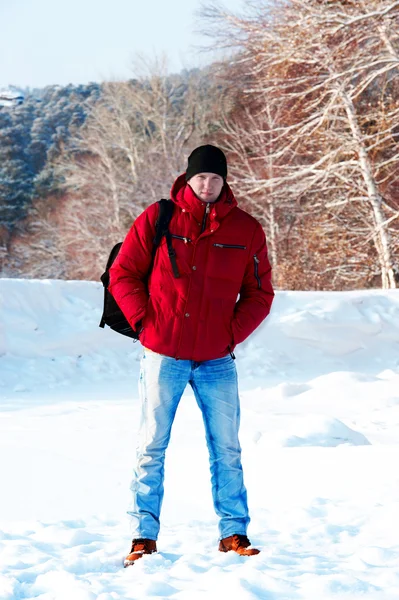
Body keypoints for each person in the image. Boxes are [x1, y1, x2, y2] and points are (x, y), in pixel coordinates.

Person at [108, 144, 274, 565]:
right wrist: (147, 324)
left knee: (227, 448)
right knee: (152, 446)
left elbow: (260, 293)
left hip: (217, 359)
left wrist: (230, 335)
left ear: (224, 182)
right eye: (201, 177)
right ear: (188, 178)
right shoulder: (158, 217)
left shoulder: (246, 230)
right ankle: (142, 536)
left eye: (215, 178)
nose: (207, 184)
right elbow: (122, 273)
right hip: (163, 352)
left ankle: (233, 533)